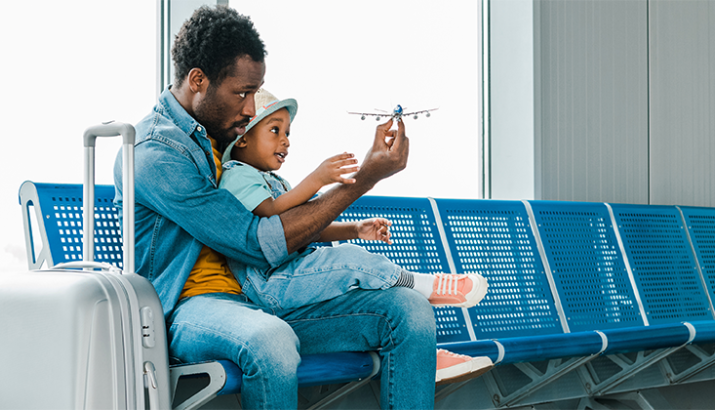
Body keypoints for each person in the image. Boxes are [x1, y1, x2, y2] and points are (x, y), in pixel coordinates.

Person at [115, 5, 432, 409]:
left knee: (408, 311)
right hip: (192, 310)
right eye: (242, 93)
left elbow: (279, 216)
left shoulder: (225, 140)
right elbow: (254, 241)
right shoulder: (156, 153)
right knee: (271, 339)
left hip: (259, 297)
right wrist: (363, 179)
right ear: (198, 80)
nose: (250, 110)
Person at [218, 88, 492, 384]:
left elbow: (306, 228)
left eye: (287, 132)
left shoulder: (275, 181)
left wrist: (355, 229)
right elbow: (271, 214)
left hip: (293, 278)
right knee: (350, 260)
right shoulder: (236, 174)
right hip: (271, 284)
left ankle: (425, 353)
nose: (286, 140)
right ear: (242, 137)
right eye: (275, 130)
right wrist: (317, 179)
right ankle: (424, 284)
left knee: (373, 291)